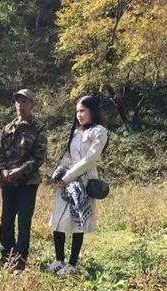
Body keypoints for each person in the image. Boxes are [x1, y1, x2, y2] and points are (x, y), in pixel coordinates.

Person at [47, 94, 109, 276]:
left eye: (82, 111)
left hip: (83, 182)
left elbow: (90, 160)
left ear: (92, 111)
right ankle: (59, 260)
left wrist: (68, 176)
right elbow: (67, 156)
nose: (79, 115)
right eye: (77, 112)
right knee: (58, 219)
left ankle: (72, 264)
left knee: (78, 222)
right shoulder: (76, 133)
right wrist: (57, 174)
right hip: (65, 182)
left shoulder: (99, 131)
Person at [0, 89, 47, 272]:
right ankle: (6, 255)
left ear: (32, 105)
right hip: (8, 182)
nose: (19, 104)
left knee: (23, 221)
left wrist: (19, 171)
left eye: (24, 101)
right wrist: (2, 172)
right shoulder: (8, 127)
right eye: (17, 101)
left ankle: (20, 259)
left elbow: (39, 157)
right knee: (6, 220)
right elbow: (0, 153)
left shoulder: (38, 128)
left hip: (27, 183)